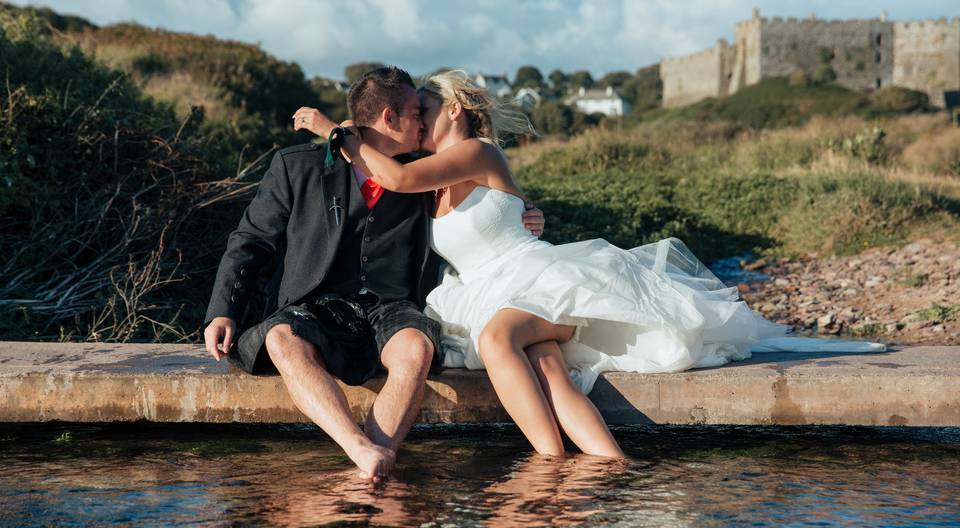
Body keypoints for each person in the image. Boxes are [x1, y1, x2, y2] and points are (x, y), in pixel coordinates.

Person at [295, 69, 886, 459]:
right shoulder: (429, 181)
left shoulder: (475, 151)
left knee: (502, 340)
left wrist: (335, 130)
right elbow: (418, 194)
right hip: (481, 288)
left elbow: (394, 173)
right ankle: (607, 466)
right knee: (548, 368)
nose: (418, 119)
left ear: (453, 107)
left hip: (535, 279)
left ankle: (549, 468)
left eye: (424, 107)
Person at [203, 66, 546, 482]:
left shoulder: (423, 173)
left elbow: (484, 203)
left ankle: (371, 466)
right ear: (389, 118)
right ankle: (361, 450)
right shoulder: (298, 167)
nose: (423, 121)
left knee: (416, 350)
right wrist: (224, 310)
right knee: (280, 339)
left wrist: (524, 214)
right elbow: (252, 240)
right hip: (316, 306)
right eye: (417, 113)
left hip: (392, 306)